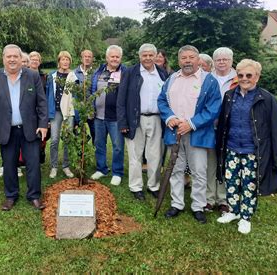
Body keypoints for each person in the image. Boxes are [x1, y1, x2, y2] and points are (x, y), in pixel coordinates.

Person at [216, 59, 277, 234]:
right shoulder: (230, 96)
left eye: (249, 75)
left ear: (257, 77)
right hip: (231, 147)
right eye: (240, 75)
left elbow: (276, 131)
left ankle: (246, 217)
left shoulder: (268, 100)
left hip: (253, 151)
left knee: (249, 185)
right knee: (231, 182)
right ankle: (234, 211)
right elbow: (224, 124)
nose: (244, 78)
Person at [158, 45, 222, 224]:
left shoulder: (209, 81)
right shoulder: (172, 79)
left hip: (198, 133)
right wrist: (169, 117)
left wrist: (192, 124)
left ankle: (198, 206)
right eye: (183, 58)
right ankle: (177, 204)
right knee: (176, 170)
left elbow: (214, 108)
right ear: (179, 61)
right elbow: (162, 100)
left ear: (198, 60)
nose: (187, 61)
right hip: (175, 133)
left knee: (199, 171)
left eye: (191, 57)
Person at [0, 44, 48, 211]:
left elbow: (42, 102)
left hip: (30, 129)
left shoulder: (32, 76)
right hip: (6, 129)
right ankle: (11, 196)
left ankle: (34, 196)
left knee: (33, 164)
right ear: (3, 58)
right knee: (9, 164)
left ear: (20, 59)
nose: (12, 59)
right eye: (8, 56)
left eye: (15, 56)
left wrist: (43, 124)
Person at [117, 43, 169, 199]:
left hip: (156, 119)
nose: (147, 58)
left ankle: (153, 186)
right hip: (135, 119)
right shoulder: (130, 72)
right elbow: (121, 99)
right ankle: (136, 187)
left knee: (155, 155)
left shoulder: (162, 73)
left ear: (155, 56)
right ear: (139, 56)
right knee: (135, 154)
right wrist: (123, 122)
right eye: (144, 55)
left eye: (150, 55)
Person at [205, 47, 239, 214]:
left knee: (225, 163)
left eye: (225, 59)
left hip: (230, 127)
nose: (222, 62)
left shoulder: (238, 78)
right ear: (214, 61)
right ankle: (209, 198)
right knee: (210, 163)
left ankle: (223, 199)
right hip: (210, 126)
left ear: (231, 61)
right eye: (218, 59)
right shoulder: (207, 77)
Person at [90, 45, 127, 186]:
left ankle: (117, 172)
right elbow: (92, 90)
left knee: (118, 146)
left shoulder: (125, 72)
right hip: (99, 116)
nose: (115, 59)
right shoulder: (99, 72)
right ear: (107, 58)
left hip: (116, 117)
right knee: (99, 144)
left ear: (120, 58)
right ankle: (102, 169)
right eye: (112, 56)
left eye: (117, 56)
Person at [46, 51, 76, 179]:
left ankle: (66, 166)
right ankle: (53, 167)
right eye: (63, 59)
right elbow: (48, 95)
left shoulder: (73, 76)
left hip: (68, 112)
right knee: (54, 140)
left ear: (70, 61)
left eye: (67, 59)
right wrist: (47, 114)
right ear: (59, 61)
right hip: (55, 111)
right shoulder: (52, 75)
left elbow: (75, 96)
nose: (65, 62)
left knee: (67, 139)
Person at [74, 49, 96, 143]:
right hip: (79, 109)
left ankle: (96, 154)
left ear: (92, 59)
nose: (87, 58)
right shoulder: (74, 73)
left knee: (95, 133)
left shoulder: (95, 74)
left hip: (92, 109)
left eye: (89, 56)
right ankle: (81, 155)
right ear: (81, 58)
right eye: (85, 56)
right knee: (80, 135)